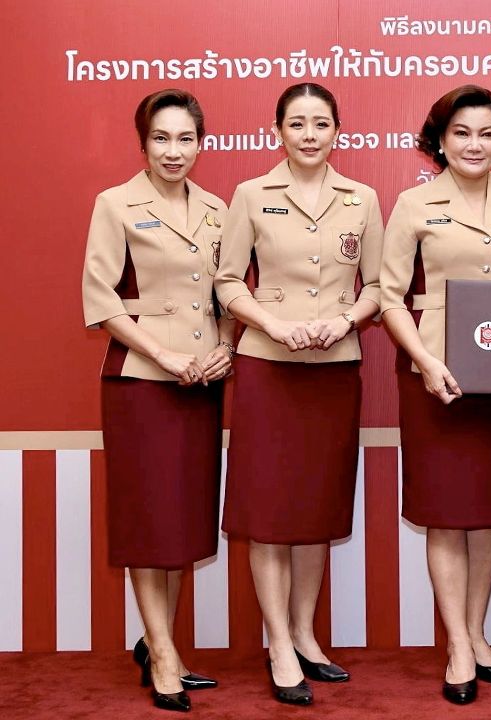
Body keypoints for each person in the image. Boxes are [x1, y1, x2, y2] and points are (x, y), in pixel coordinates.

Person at [214, 82, 384, 706]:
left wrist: (345, 322)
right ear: (278, 131)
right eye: (297, 124)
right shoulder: (251, 195)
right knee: (268, 510)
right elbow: (228, 280)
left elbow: (380, 285)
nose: (309, 135)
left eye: (321, 123)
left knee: (316, 508)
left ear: (339, 130)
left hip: (334, 366)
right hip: (267, 365)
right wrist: (272, 323)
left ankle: (306, 635)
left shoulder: (362, 198)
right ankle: (278, 643)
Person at [380, 85, 491, 706]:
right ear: (439, 141)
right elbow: (389, 295)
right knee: (448, 515)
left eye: (486, 133)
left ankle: (478, 637)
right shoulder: (414, 204)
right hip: (437, 378)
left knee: (487, 515)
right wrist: (423, 361)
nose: (474, 144)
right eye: (461, 133)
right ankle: (456, 644)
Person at [81, 88, 230, 713]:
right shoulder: (115, 204)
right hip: (143, 379)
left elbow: (231, 291)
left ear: (202, 142)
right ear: (142, 142)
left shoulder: (219, 209)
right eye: (162, 139)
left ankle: (157, 639)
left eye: (186, 138)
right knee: (149, 520)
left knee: (182, 521)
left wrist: (224, 345)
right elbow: (101, 300)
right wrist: (164, 357)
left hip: (203, 382)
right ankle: (164, 652)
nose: (174, 151)